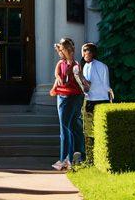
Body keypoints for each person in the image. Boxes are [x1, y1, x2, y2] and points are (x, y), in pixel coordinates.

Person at [51, 37, 85, 171]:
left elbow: (80, 79)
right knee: (66, 128)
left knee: (65, 128)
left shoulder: (75, 65)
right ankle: (68, 158)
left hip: (71, 97)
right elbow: (57, 74)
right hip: (62, 96)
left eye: (61, 49)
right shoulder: (61, 63)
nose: (60, 52)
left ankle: (66, 159)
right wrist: (56, 84)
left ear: (66, 50)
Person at [80, 43, 114, 112]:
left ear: (93, 53)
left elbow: (106, 84)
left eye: (86, 50)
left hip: (101, 99)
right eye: (83, 51)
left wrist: (110, 93)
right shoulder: (85, 66)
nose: (83, 54)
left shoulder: (101, 66)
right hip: (89, 99)